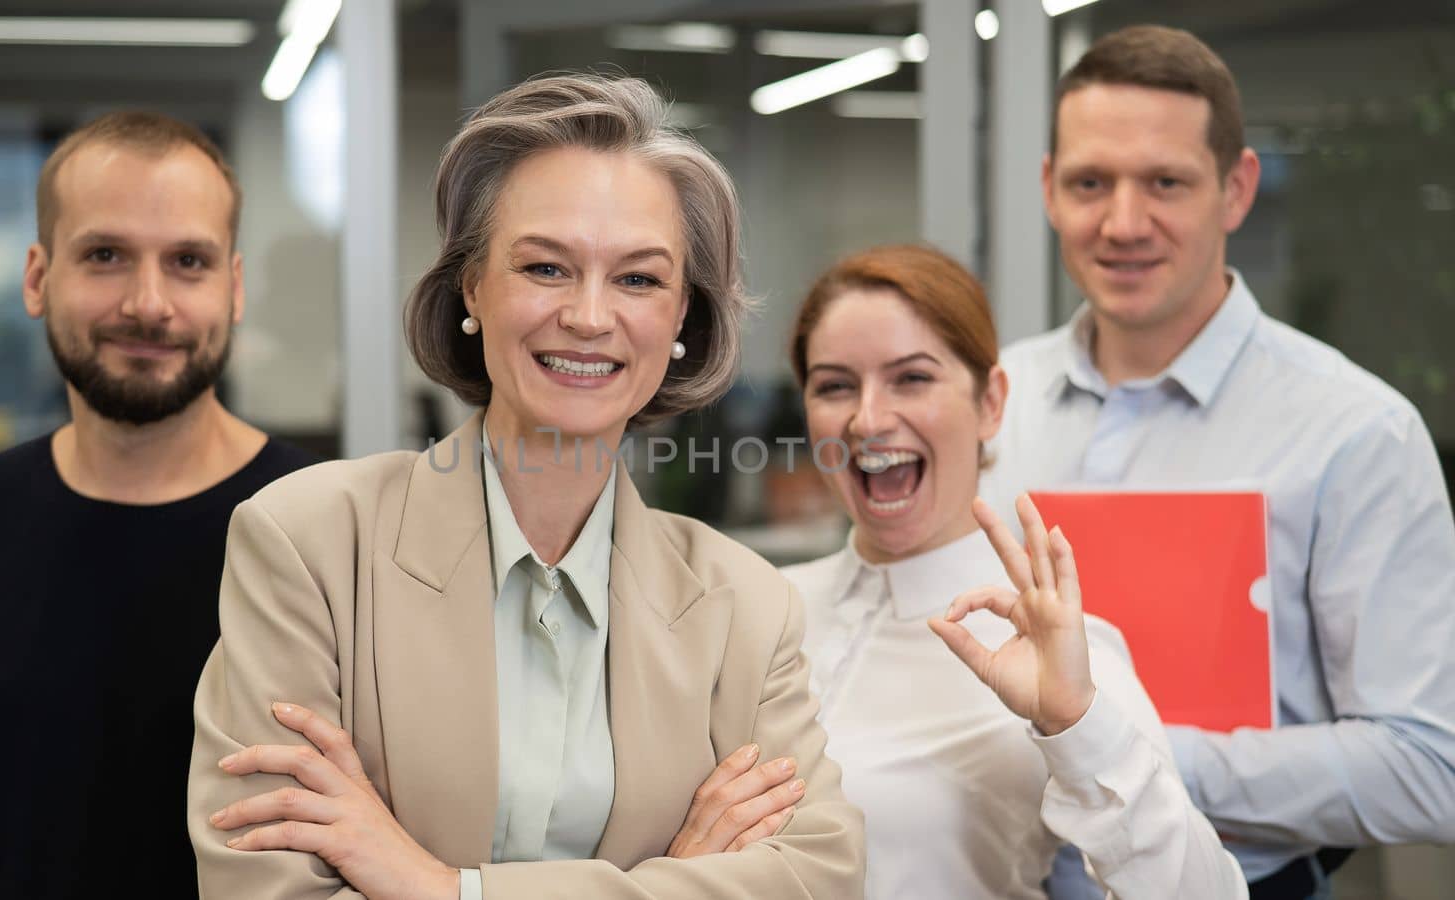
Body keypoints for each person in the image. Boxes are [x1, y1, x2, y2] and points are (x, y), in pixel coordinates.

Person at [184, 74, 864, 899]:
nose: (587, 315)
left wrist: (442, 888)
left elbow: (819, 878)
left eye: (639, 279)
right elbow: (264, 890)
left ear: (684, 317)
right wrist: (675, 882)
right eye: (546, 267)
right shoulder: (311, 546)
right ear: (471, 286)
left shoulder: (745, 610)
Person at [980, 24, 1455, 898]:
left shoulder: (1356, 432)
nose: (1123, 223)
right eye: (1091, 183)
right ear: (1048, 190)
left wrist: (1114, 750)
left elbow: (1428, 767)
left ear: (1236, 190)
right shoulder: (990, 402)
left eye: (1166, 182)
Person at [0, 112, 315, 899]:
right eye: (105, 255)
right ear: (37, 278)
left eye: (188, 262)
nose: (148, 303)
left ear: (233, 288)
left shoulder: (316, 523)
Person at [764, 243, 1242, 898]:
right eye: (835, 386)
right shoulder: (763, 607)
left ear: (990, 403)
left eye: (912, 378)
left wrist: (1077, 723)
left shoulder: (1062, 651)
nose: (868, 419)